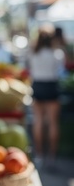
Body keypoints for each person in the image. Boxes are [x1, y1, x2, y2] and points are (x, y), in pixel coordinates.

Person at [28, 26, 65, 170]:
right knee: (53, 123)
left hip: (38, 86)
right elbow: (60, 71)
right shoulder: (57, 53)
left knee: (38, 122)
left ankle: (39, 155)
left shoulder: (33, 53)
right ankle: (51, 157)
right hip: (51, 87)